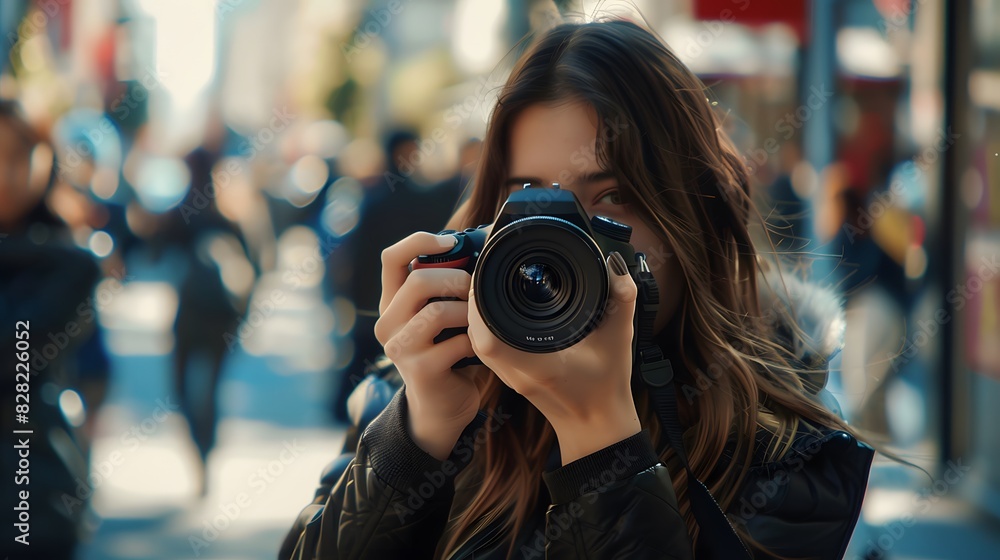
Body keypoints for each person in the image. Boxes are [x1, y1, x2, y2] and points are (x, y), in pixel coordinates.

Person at [281, 20, 874, 559]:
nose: (560, 239)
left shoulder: (785, 448)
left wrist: (602, 441)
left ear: (694, 215)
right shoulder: (421, 391)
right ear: (490, 221)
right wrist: (418, 437)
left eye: (612, 197)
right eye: (530, 200)